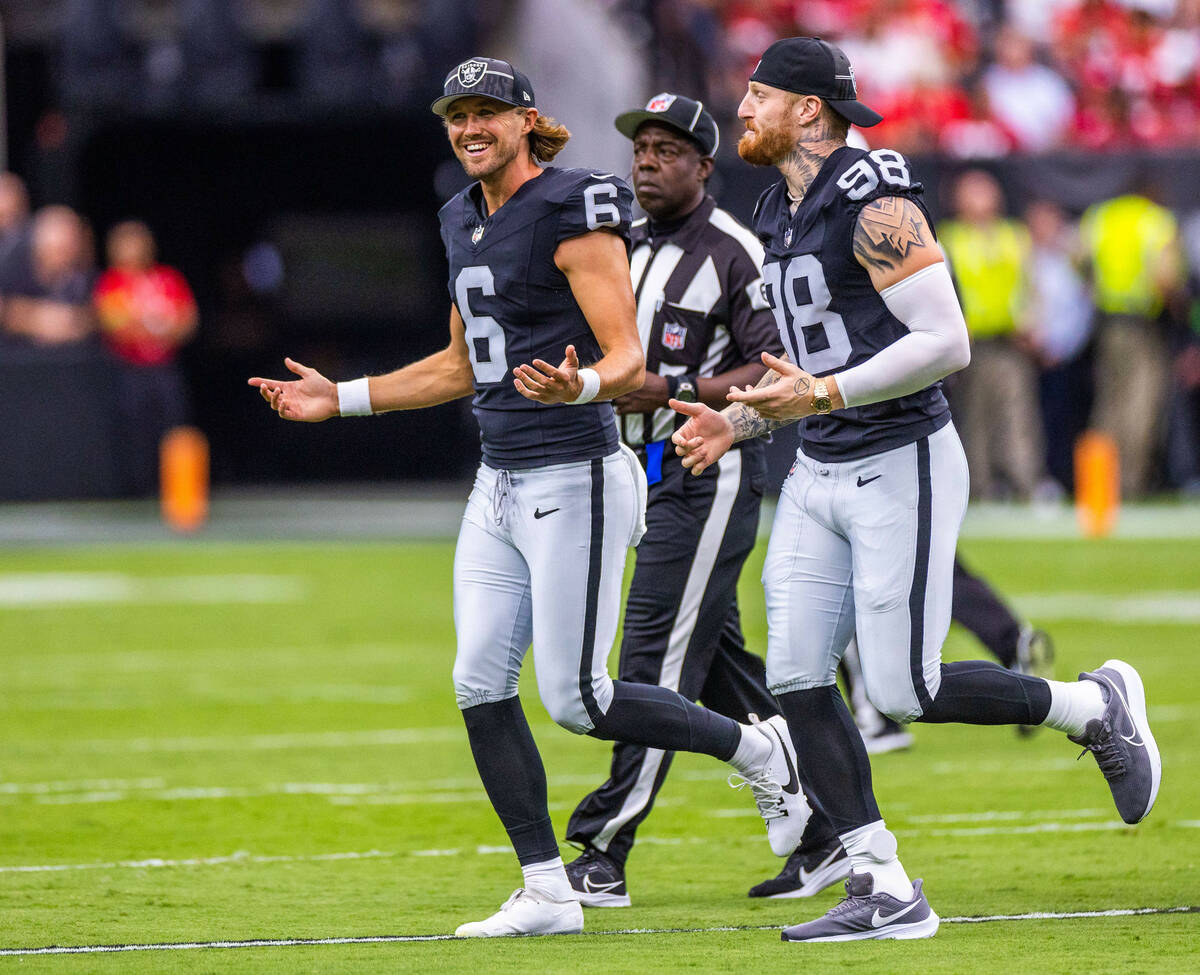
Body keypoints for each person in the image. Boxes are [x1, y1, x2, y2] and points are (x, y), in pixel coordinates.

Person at [249, 57, 809, 939]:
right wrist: (342, 396)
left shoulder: (572, 201)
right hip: (499, 477)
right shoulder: (457, 215)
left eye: (486, 113)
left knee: (579, 698)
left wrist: (579, 387)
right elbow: (460, 362)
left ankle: (757, 744)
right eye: (456, 116)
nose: (470, 128)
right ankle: (547, 887)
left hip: (575, 470)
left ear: (525, 121)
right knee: (477, 681)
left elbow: (624, 355)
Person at [669, 37, 1161, 942]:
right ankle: (884, 880)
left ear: (808, 110)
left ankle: (1091, 707)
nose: (742, 109)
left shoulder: (872, 198)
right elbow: (816, 361)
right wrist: (738, 420)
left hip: (900, 457)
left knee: (904, 687)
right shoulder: (783, 200)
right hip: (818, 460)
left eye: (758, 94)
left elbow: (946, 339)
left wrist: (820, 392)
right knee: (797, 674)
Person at [562, 92, 849, 908]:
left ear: (703, 166)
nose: (646, 160)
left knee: (650, 658)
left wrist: (673, 385)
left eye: (666, 149)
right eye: (640, 147)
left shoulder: (735, 251)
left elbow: (774, 364)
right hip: (641, 472)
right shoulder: (623, 243)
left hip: (706, 470)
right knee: (724, 671)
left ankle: (605, 847)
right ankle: (827, 829)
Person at [940, 169, 1045, 501]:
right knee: (972, 417)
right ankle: (977, 486)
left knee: (1017, 412)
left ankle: (1024, 482)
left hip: (1008, 339)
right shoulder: (950, 237)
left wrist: (1034, 322)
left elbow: (1030, 285)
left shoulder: (1013, 236)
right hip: (968, 342)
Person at [1080, 185, 1183, 497]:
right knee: (1140, 403)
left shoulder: (1101, 217)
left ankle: (1098, 487)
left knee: (1108, 404)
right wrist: (1176, 306)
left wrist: (1095, 286)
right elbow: (1165, 278)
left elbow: (1077, 257)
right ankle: (1129, 485)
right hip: (1142, 325)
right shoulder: (1156, 221)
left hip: (1108, 322)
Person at [94, 220, 198, 495]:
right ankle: (136, 488)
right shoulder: (112, 282)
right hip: (129, 370)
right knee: (134, 430)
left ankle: (177, 487)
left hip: (165, 368)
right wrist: (156, 325)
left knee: (174, 425)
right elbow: (116, 327)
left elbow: (187, 321)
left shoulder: (168, 278)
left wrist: (152, 326)